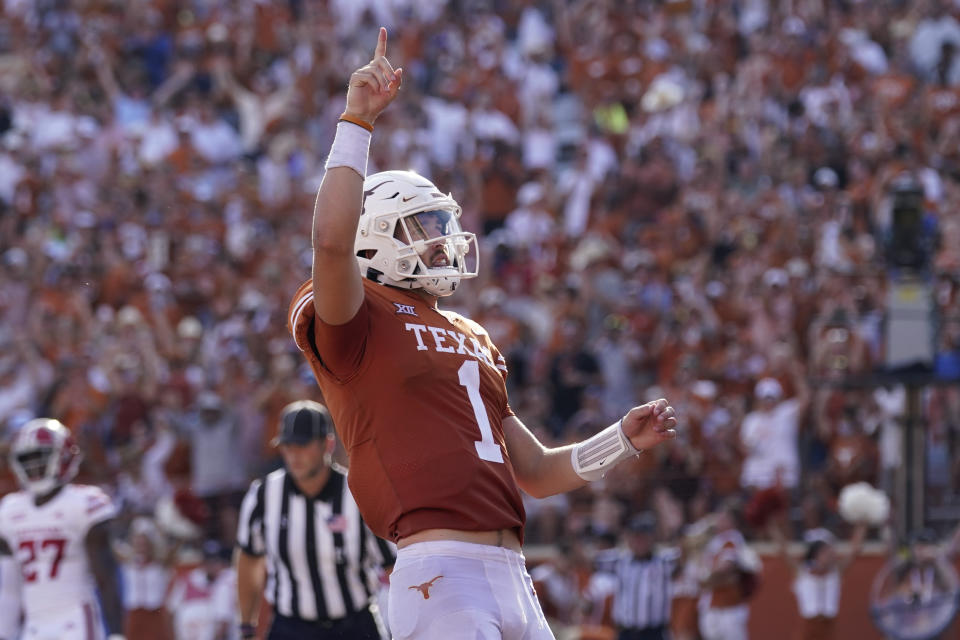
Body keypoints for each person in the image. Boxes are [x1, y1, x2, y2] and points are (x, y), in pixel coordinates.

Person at [287, 27, 678, 640]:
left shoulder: (471, 333)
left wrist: (620, 442)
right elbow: (331, 243)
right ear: (379, 236)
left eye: (440, 224)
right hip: (440, 570)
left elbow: (540, 471)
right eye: (420, 227)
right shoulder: (359, 319)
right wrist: (356, 122)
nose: (440, 239)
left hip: (512, 571)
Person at [234, 400, 395, 640]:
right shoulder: (263, 496)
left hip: (355, 626)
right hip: (291, 627)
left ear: (327, 444)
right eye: (287, 446)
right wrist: (247, 626)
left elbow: (393, 566)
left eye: (302, 445)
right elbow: (249, 560)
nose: (293, 454)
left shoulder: (359, 494)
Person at [0, 418, 125, 640]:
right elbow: (8, 586)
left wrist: (116, 632)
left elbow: (106, 575)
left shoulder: (84, 503)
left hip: (74, 620)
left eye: (40, 458)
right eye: (27, 460)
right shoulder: (10, 511)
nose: (34, 467)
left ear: (64, 456)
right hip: (33, 626)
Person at [769, 520, 867, 640]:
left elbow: (855, 551)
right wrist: (772, 526)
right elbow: (783, 551)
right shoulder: (802, 573)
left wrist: (862, 524)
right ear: (815, 553)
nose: (830, 554)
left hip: (829, 628)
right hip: (808, 628)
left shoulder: (836, 572)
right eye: (825, 551)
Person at [588, 513, 674, 640]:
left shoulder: (664, 561)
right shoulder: (620, 561)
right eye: (636, 537)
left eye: (644, 537)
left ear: (652, 538)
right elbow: (591, 559)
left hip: (653, 633)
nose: (640, 542)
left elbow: (685, 553)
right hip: (626, 632)